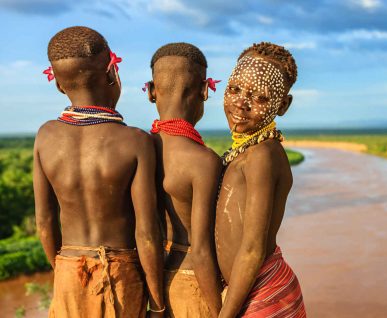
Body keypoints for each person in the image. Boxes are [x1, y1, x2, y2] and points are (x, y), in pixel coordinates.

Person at [33, 26, 164, 317]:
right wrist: (157, 304)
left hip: (68, 270)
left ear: (57, 84)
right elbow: (147, 233)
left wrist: (64, 272)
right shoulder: (135, 141)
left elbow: (44, 221)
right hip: (119, 276)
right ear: (111, 74)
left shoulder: (46, 136)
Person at [216, 42, 306, 318]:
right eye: (234, 90)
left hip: (265, 295)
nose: (241, 103)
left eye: (260, 98)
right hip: (253, 291)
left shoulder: (262, 157)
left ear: (283, 105)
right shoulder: (251, 150)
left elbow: (253, 249)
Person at [146, 42, 223, 317]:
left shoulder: (139, 147)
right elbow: (201, 250)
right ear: (204, 90)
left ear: (151, 92)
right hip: (195, 281)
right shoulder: (204, 161)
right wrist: (220, 311)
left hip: (155, 283)